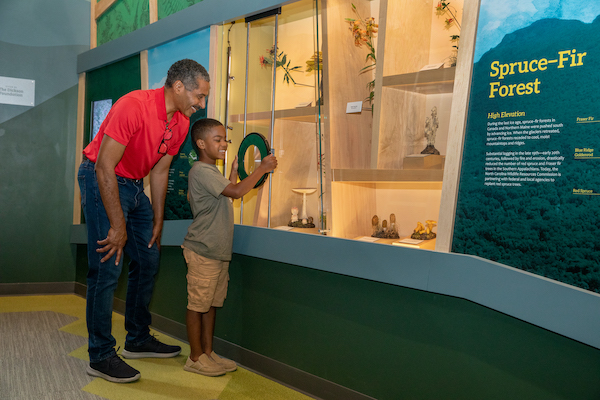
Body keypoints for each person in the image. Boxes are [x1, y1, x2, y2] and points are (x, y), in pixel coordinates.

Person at [78, 59, 210, 383]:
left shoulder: (179, 123)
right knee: (107, 265)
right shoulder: (133, 106)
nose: (202, 104)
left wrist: (159, 217)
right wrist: (118, 225)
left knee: (149, 258)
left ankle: (137, 337)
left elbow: (161, 170)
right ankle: (101, 354)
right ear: (179, 87)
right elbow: (103, 167)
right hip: (103, 179)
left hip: (135, 187)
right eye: (200, 96)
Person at [182, 118, 277, 376]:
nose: (224, 143)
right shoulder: (200, 171)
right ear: (201, 144)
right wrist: (262, 168)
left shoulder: (212, 173)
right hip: (203, 251)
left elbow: (227, 193)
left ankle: (208, 353)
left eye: (225, 139)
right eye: (218, 139)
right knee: (198, 305)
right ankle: (194, 357)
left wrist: (234, 173)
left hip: (217, 253)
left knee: (211, 304)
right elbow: (235, 193)